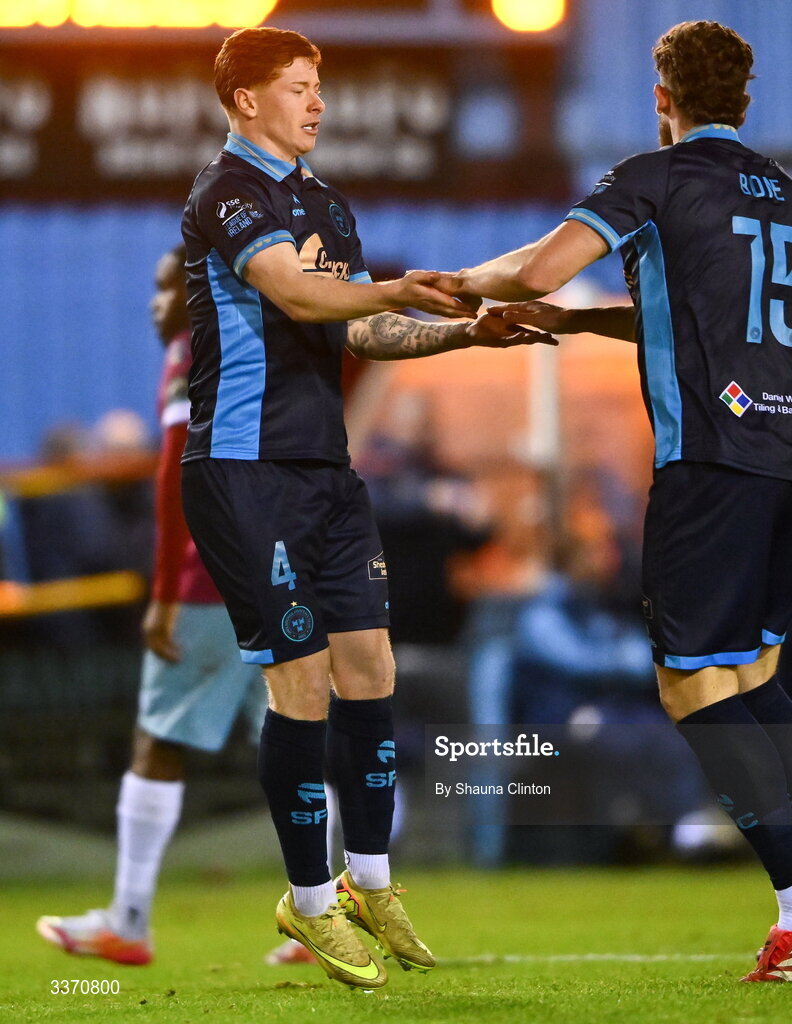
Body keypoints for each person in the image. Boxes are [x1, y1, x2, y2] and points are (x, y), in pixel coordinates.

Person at [440, 20, 792, 983]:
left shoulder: (655, 176)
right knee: (755, 680)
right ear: (744, 100)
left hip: (710, 460)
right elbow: (695, 321)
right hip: (785, 451)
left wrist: (458, 285)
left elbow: (539, 265)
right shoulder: (781, 190)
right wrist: (572, 324)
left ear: (662, 99)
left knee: (690, 687)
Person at [176, 27, 552, 991]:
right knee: (300, 682)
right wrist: (390, 286)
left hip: (326, 474)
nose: (318, 102)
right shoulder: (226, 192)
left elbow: (364, 330)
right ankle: (308, 903)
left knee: (370, 668)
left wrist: (463, 334)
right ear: (246, 99)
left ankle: (371, 882)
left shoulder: (327, 203)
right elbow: (298, 296)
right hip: (245, 469)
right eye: (299, 87)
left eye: (319, 86)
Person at [36, 245, 266, 965]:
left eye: (168, 288)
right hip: (282, 566)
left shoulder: (189, 348)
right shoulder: (262, 342)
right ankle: (330, 910)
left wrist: (164, 596)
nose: (155, 302)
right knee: (298, 736)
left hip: (209, 577)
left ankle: (128, 920)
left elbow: (173, 476)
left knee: (157, 740)